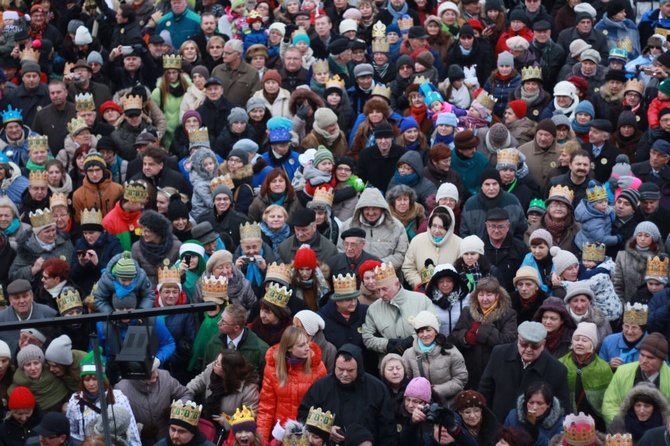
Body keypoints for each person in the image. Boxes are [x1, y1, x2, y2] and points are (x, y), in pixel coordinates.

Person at [297, 344, 396, 445]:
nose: (344, 374)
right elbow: (303, 415)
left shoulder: (376, 389)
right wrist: (325, 430)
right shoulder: (321, 386)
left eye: (350, 370)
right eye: (340, 369)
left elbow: (387, 429)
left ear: (359, 369)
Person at [478, 321, 570, 423]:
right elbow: (485, 391)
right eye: (524, 344)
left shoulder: (557, 369)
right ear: (518, 339)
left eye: (534, 346)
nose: (528, 349)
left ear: (543, 344)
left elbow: (561, 407)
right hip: (498, 424)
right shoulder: (499, 354)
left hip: (533, 429)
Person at [256, 326, 327, 440]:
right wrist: (262, 440)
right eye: (301, 345)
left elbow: (323, 403)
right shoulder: (272, 367)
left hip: (308, 432)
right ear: (289, 348)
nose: (307, 348)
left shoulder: (317, 366)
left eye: (307, 343)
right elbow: (266, 407)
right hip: (281, 431)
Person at [449, 276, 517, 390]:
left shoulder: (508, 314)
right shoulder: (468, 311)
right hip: (471, 371)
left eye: (489, 295)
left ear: (497, 296)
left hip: (496, 371)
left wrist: (481, 331)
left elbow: (509, 340)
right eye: (481, 295)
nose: (485, 299)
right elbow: (454, 336)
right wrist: (466, 337)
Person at [362, 262, 437, 357]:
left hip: (420, 359)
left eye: (385, 289)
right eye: (378, 290)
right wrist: (387, 344)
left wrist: (412, 340)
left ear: (397, 284)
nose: (381, 294)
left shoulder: (421, 300)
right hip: (389, 364)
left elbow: (435, 324)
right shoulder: (373, 309)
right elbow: (367, 338)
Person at [65, 350, 140, 445]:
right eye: (87, 380)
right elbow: (72, 432)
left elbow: (132, 433)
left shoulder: (119, 398)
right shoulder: (75, 401)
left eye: (95, 379)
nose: (91, 384)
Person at [186, 349, 260, 437]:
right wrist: (185, 397)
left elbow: (250, 417)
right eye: (215, 360)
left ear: (226, 370)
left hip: (230, 434)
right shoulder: (211, 370)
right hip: (208, 422)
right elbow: (195, 384)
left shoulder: (249, 389)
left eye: (217, 364)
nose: (214, 364)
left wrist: (228, 421)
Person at [601, 332, 670, 424]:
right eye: (642, 355)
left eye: (650, 358)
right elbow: (609, 405)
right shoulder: (622, 371)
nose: (644, 361)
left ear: (661, 360)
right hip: (625, 429)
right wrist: (623, 426)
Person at [402, 311, 468, 404]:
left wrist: (435, 391)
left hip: (448, 403)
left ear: (436, 331)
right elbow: (405, 381)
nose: (425, 335)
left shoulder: (451, 351)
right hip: (418, 405)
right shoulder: (408, 354)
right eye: (421, 331)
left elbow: (460, 379)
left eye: (428, 330)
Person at [558, 322, 612, 431]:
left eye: (584, 340)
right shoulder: (561, 363)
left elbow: (607, 398)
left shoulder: (603, 367)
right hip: (566, 418)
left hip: (594, 420)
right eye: (576, 339)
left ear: (592, 344)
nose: (579, 343)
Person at [339, 187, 409, 271]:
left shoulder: (396, 226)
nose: (371, 213)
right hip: (355, 274)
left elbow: (401, 254)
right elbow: (341, 250)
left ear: (382, 209)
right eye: (367, 209)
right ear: (361, 209)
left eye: (375, 209)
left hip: (386, 275)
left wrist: (378, 265)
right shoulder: (348, 226)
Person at [202, 303, 269, 376]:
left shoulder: (261, 350)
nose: (219, 323)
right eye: (221, 318)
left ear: (236, 328)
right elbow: (205, 374)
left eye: (224, 322)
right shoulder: (214, 343)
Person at [403, 206, 461, 289]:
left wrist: (448, 286)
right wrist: (421, 284)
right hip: (423, 293)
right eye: (434, 226)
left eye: (441, 227)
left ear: (449, 228)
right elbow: (408, 267)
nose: (436, 231)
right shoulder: (417, 241)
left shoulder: (460, 244)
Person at [9, 345, 70, 413]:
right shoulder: (16, 389)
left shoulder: (56, 381)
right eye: (28, 364)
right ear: (23, 368)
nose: (33, 368)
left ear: (42, 364)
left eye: (36, 363)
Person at [502, 381, 565, 446]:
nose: (534, 407)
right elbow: (502, 440)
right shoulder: (513, 416)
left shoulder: (560, 424)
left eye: (540, 403)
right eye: (531, 403)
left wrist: (536, 435)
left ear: (548, 404)